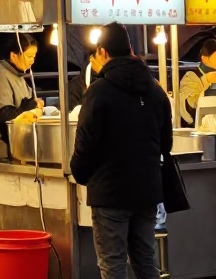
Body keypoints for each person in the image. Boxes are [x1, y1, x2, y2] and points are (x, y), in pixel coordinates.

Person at [70, 22, 172, 279]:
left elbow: (85, 143)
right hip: (147, 190)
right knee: (146, 261)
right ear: (129, 49)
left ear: (103, 52)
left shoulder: (98, 91)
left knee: (113, 265)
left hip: (110, 192)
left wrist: (80, 173)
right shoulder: (155, 89)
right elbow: (166, 143)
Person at [0, 33, 42, 159]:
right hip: (7, 154)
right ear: (13, 55)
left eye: (34, 56)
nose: (32, 61)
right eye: (29, 56)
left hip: (23, 150)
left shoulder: (19, 76)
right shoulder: (0, 77)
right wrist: (31, 106)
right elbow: (3, 117)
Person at [178, 38, 216, 126]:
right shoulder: (191, 76)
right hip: (197, 126)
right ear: (204, 59)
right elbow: (189, 105)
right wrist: (205, 81)